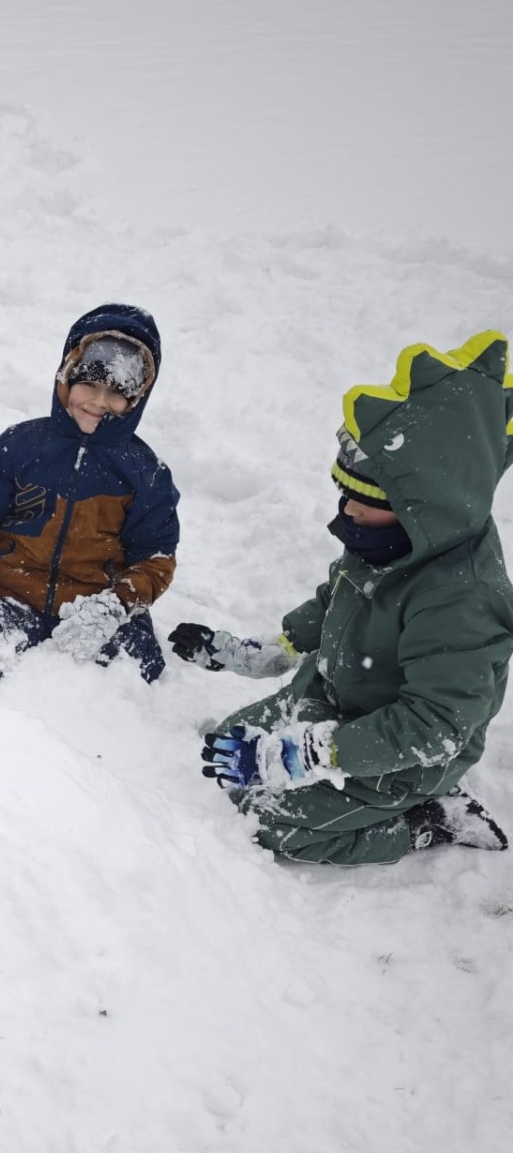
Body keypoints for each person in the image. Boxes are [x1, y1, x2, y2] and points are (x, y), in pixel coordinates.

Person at [179, 331, 513, 866]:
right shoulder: (393, 538)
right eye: (346, 494)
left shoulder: (462, 601)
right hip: (333, 699)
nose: (348, 512)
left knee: (268, 823)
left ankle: (425, 820)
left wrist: (304, 754)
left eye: (366, 500)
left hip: (400, 757)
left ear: (427, 510)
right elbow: (336, 598)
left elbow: (434, 725)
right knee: (227, 749)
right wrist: (260, 654)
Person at [0, 304, 180, 683]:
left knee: (132, 679)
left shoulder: (145, 473)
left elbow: (155, 560)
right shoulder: (20, 447)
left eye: (115, 393)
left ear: (137, 398)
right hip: (14, 598)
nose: (98, 402)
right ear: (66, 378)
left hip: (94, 612)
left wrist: (115, 605)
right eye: (89, 385)